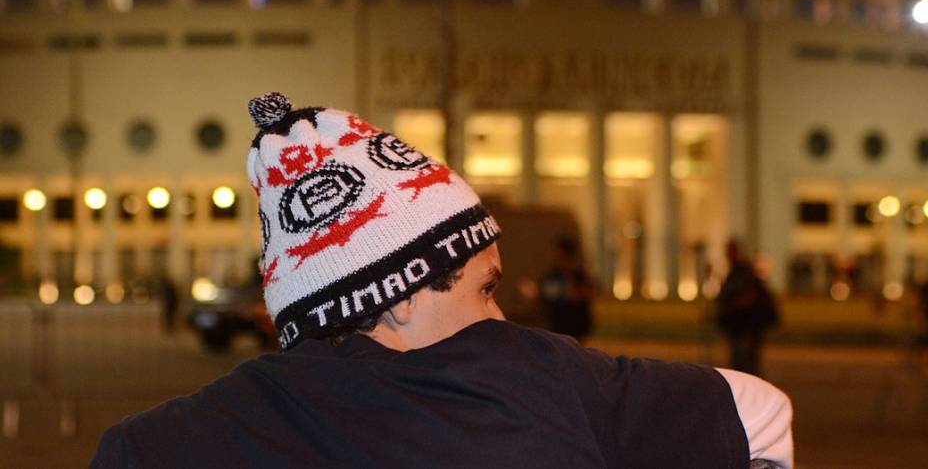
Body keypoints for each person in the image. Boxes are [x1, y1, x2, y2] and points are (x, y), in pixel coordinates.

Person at [91, 93, 793, 468]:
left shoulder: (154, 444)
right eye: (485, 288)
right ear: (397, 295)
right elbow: (761, 413)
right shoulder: (530, 379)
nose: (500, 316)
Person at [716, 239, 780, 376]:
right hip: (741, 325)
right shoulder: (736, 271)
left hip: (746, 325)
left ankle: (751, 388)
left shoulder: (742, 272)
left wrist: (730, 306)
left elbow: (748, 297)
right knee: (743, 361)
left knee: (745, 362)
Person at [538, 235, 594, 341]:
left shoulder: (579, 276)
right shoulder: (552, 276)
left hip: (576, 328)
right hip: (557, 327)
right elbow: (545, 296)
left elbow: (583, 295)